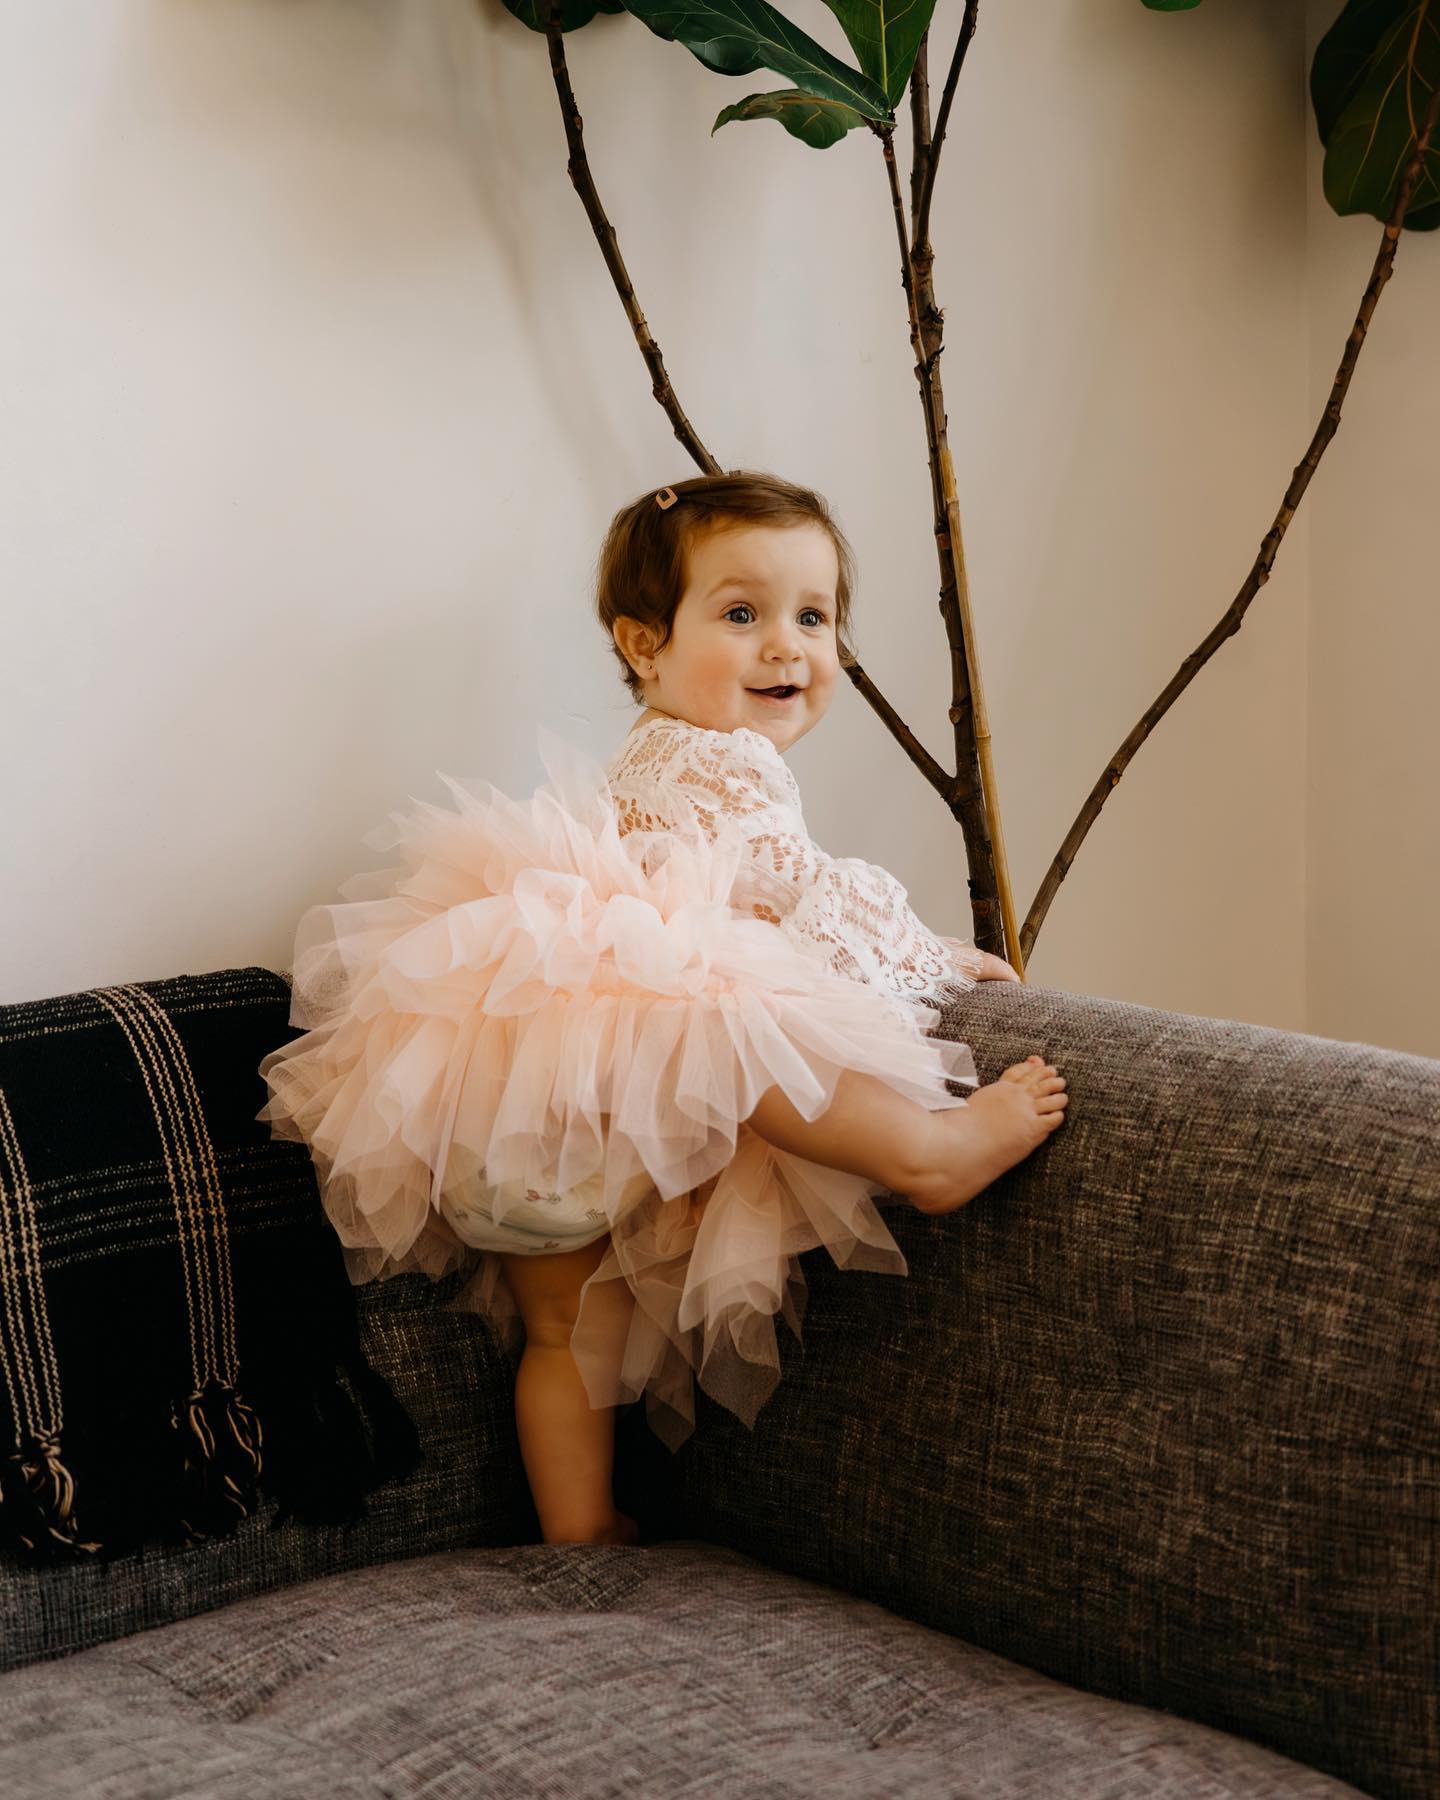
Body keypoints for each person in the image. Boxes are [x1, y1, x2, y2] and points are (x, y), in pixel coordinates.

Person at [256, 470, 1068, 1549]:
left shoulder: (643, 755)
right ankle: (924, 1154)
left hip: (504, 1135)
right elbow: (799, 894)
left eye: (814, 617)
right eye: (743, 616)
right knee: (726, 1010)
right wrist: (930, 955)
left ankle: (579, 1528)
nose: (788, 647)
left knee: (561, 1334)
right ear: (645, 644)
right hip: (590, 1101)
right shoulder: (726, 764)